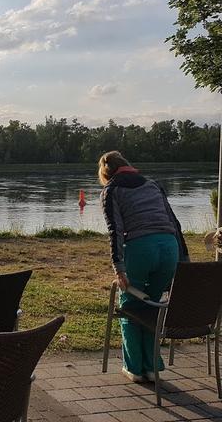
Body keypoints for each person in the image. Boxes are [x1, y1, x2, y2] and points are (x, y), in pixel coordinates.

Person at [98, 151, 189, 383]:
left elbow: (115, 231)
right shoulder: (153, 185)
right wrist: (184, 261)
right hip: (169, 248)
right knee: (153, 304)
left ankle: (134, 368)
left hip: (140, 249)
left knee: (129, 305)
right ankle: (152, 366)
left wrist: (118, 268)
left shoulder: (111, 191)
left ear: (105, 173)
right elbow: (174, 222)